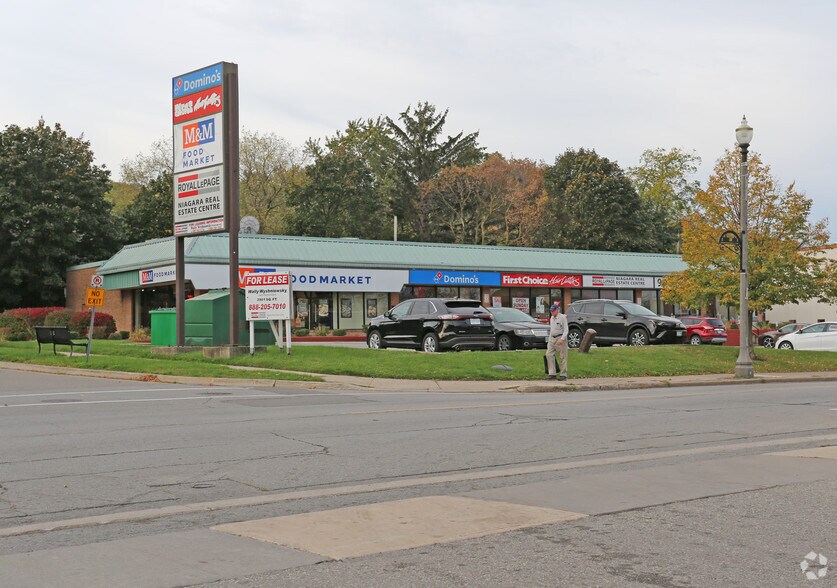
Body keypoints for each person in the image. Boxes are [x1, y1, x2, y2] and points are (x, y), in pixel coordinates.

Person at [545, 302, 568, 381]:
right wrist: (549, 340)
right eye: (551, 311)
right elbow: (552, 329)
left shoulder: (562, 317)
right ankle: (552, 374)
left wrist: (562, 339)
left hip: (560, 338)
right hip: (552, 339)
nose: (552, 312)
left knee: (563, 356)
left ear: (557, 310)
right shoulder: (551, 318)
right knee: (549, 354)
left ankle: (563, 374)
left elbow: (566, 330)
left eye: (553, 311)